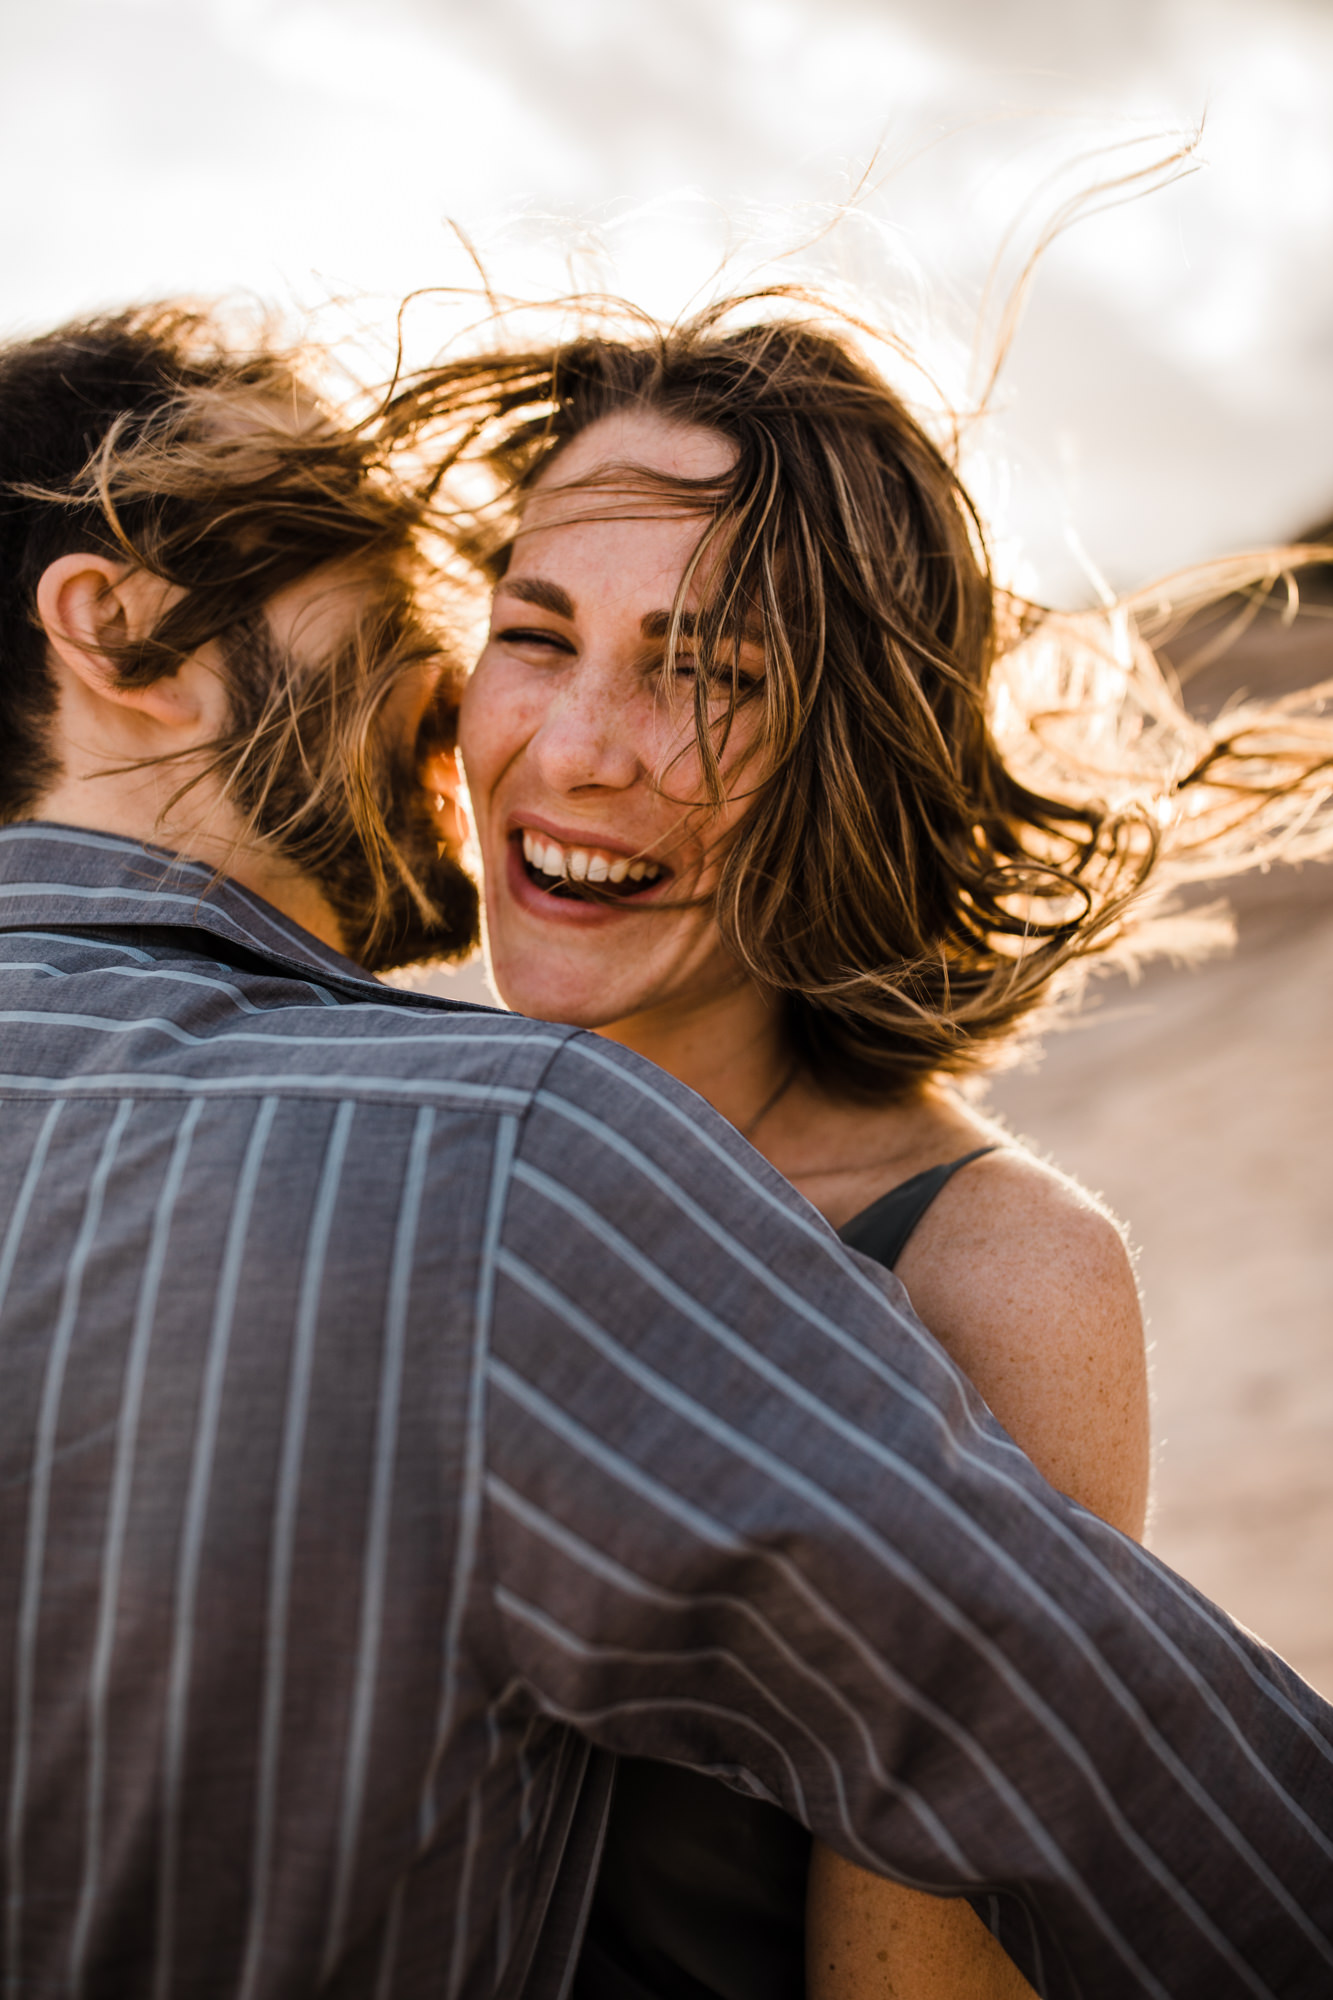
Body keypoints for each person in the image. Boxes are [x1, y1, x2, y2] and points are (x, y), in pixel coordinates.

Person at [0, 306, 1331, 2000]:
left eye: (708, 671)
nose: (574, 752)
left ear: (846, 752)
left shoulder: (982, 1272)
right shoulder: (347, 1166)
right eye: (535, 635)